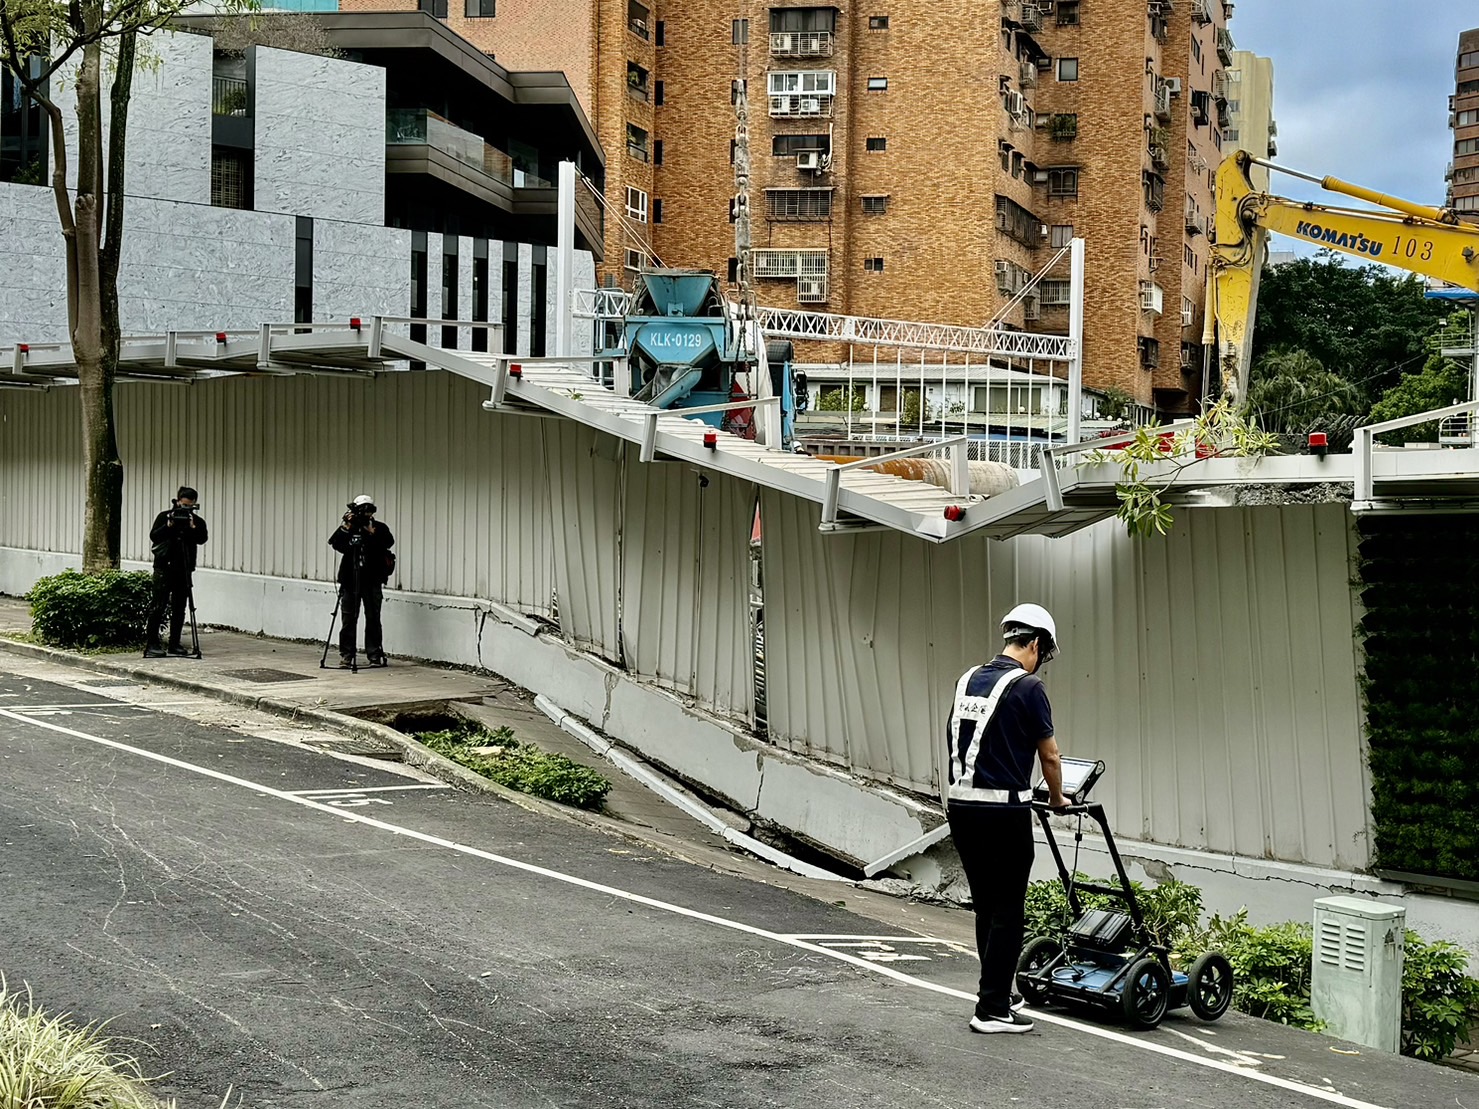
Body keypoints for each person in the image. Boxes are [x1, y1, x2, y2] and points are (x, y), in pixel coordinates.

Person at [946, 602, 1066, 1035]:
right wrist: (1056, 798)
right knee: (1008, 910)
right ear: (1034, 644)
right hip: (1003, 812)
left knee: (986, 905)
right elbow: (1049, 755)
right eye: (1042, 653)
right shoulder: (1028, 688)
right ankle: (992, 1009)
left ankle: (996, 990)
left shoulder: (967, 680)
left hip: (961, 807)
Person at [329, 494, 395, 667]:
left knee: (373, 617)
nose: (366, 515)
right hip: (350, 580)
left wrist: (371, 533)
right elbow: (336, 544)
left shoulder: (379, 528)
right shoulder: (349, 527)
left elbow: (388, 542)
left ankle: (374, 655)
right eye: (362, 511)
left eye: (369, 511)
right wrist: (347, 525)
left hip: (372, 579)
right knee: (348, 619)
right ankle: (347, 655)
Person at [144, 486, 208, 658]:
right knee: (158, 606)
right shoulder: (165, 516)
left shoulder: (196, 521)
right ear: (177, 500)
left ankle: (175, 643)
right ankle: (152, 643)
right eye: (183, 504)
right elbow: (154, 536)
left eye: (189, 506)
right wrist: (168, 526)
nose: (184, 509)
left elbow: (202, 538)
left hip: (184, 569)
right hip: (164, 567)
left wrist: (193, 527)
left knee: (180, 608)